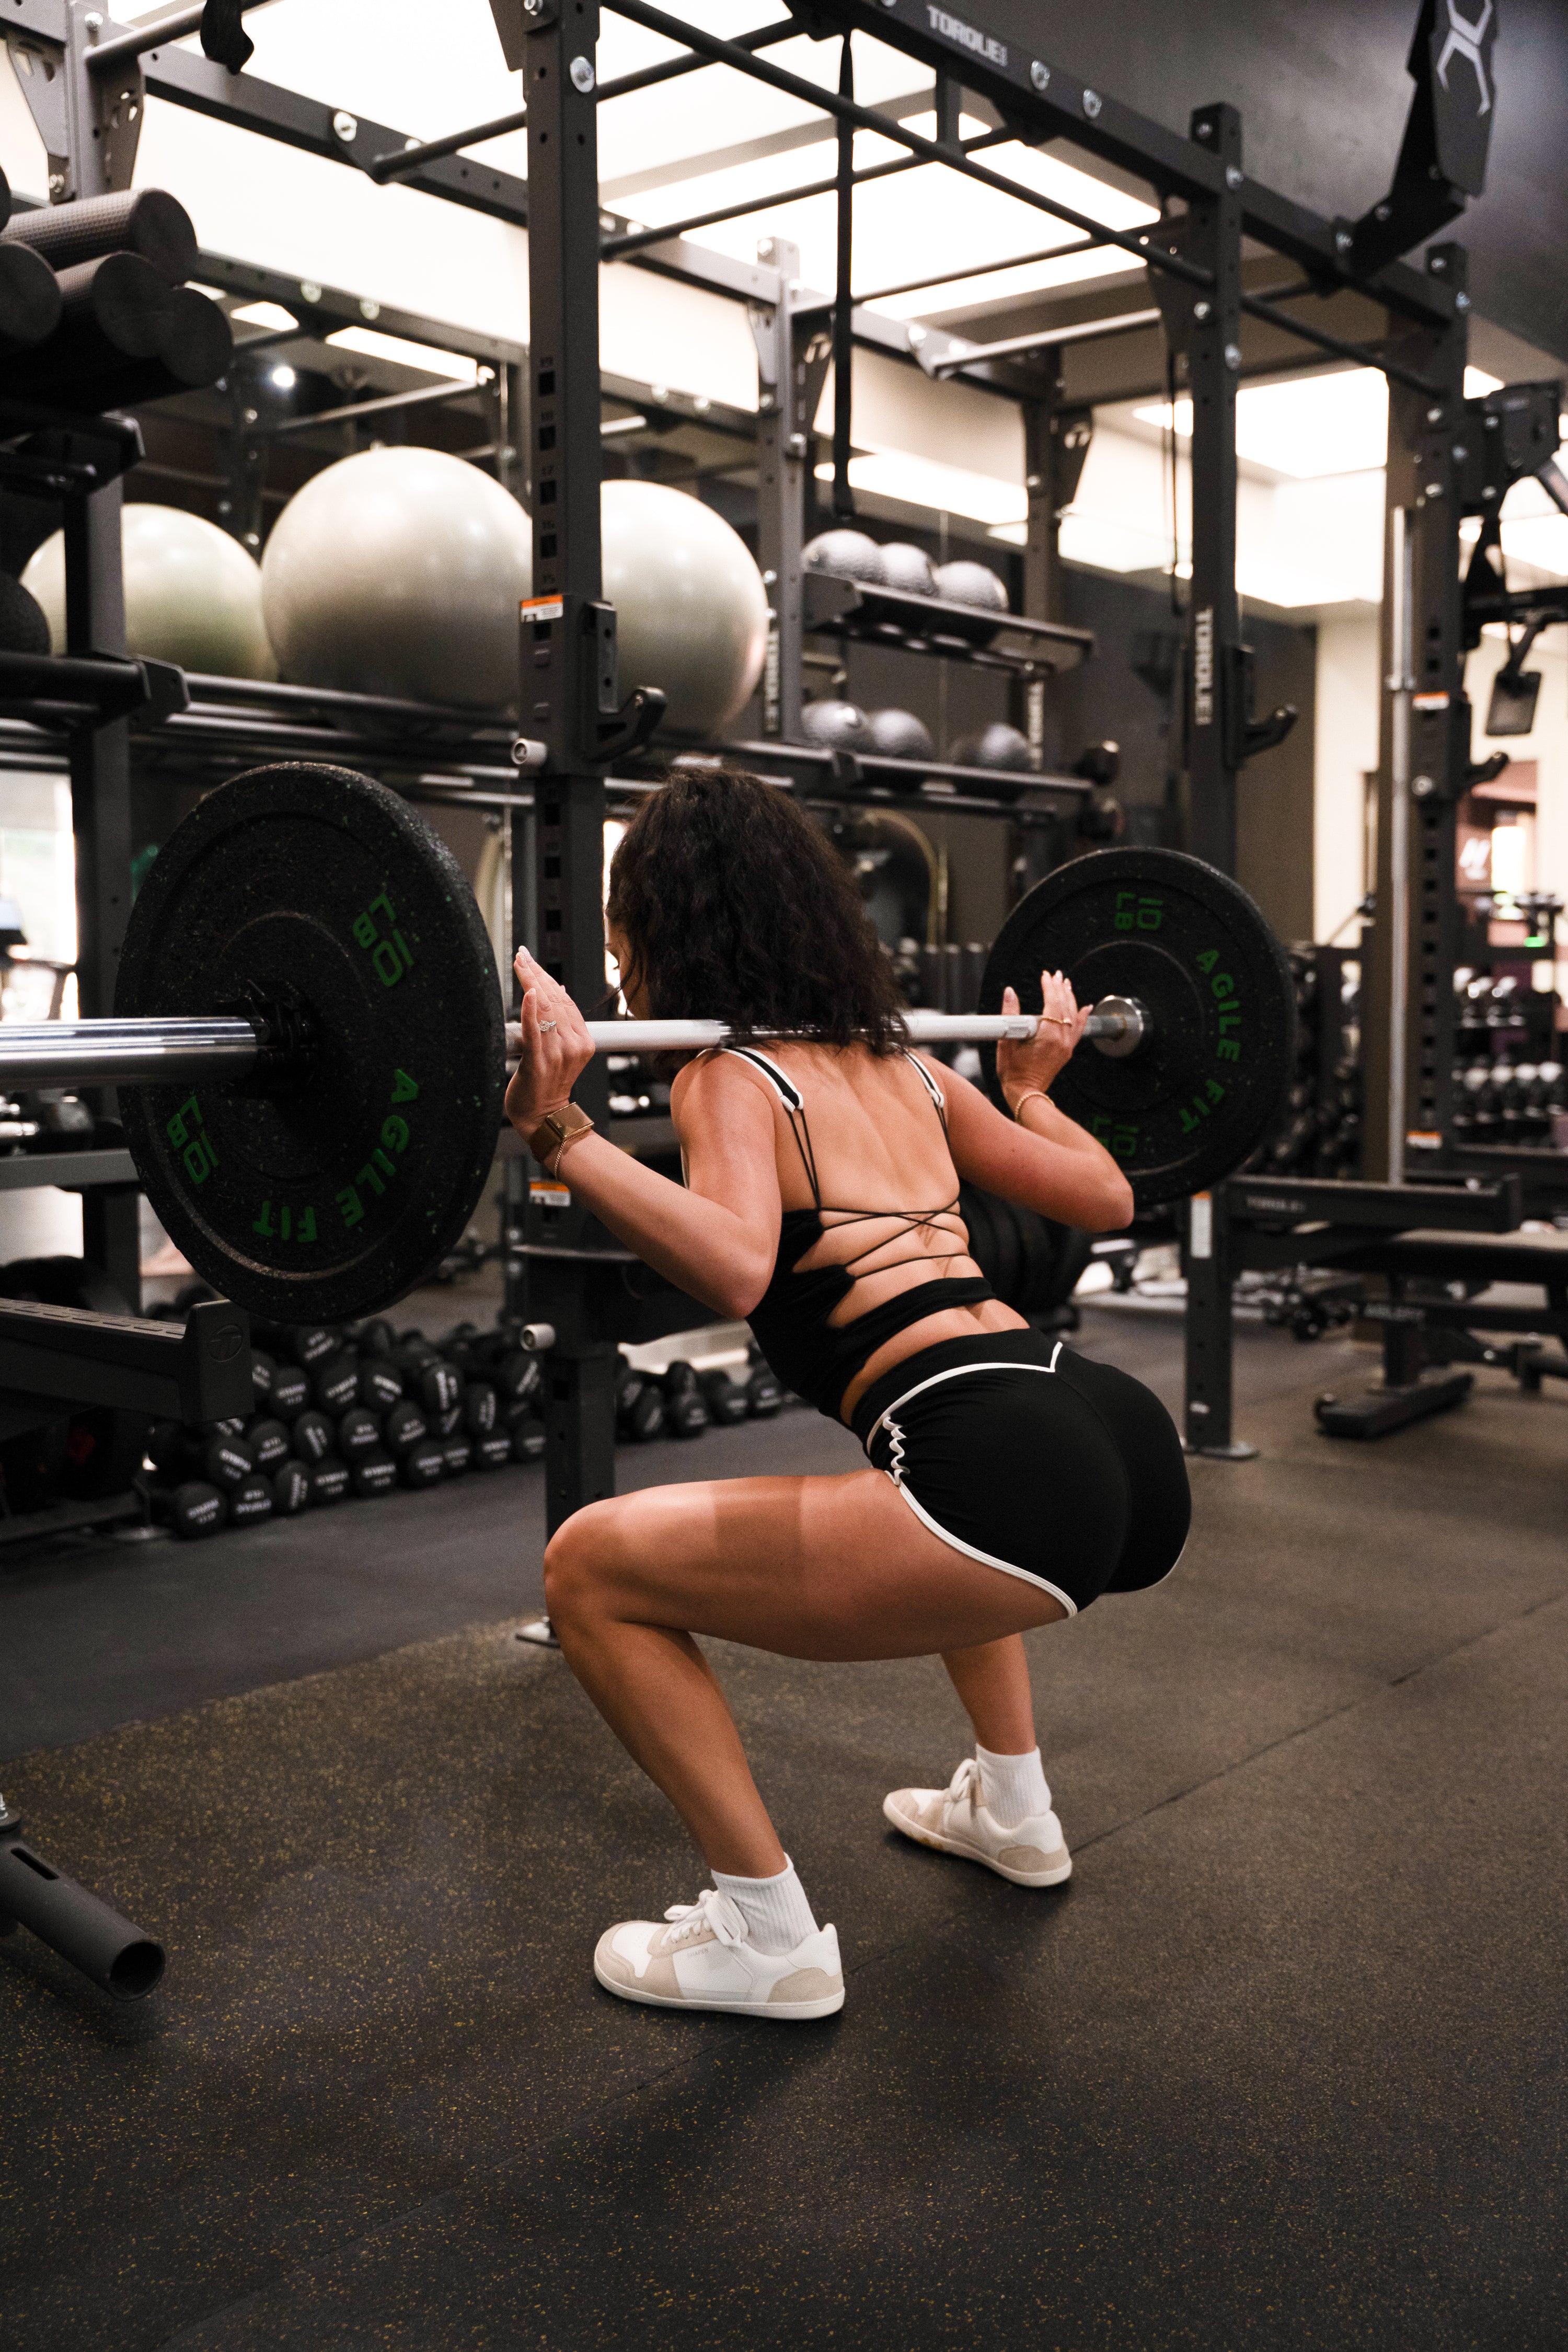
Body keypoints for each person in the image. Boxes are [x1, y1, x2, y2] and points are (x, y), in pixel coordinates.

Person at [505, 769, 1191, 2022]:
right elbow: (1106, 1199)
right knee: (924, 1485)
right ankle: (1014, 1806)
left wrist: (560, 1134)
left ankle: (764, 1935)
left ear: (672, 931)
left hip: (1001, 1463)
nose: (618, 986)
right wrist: (1033, 1087)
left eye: (623, 949)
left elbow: (734, 1262)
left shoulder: (732, 1075)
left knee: (587, 1567)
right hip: (1102, 1426)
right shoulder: (912, 1068)